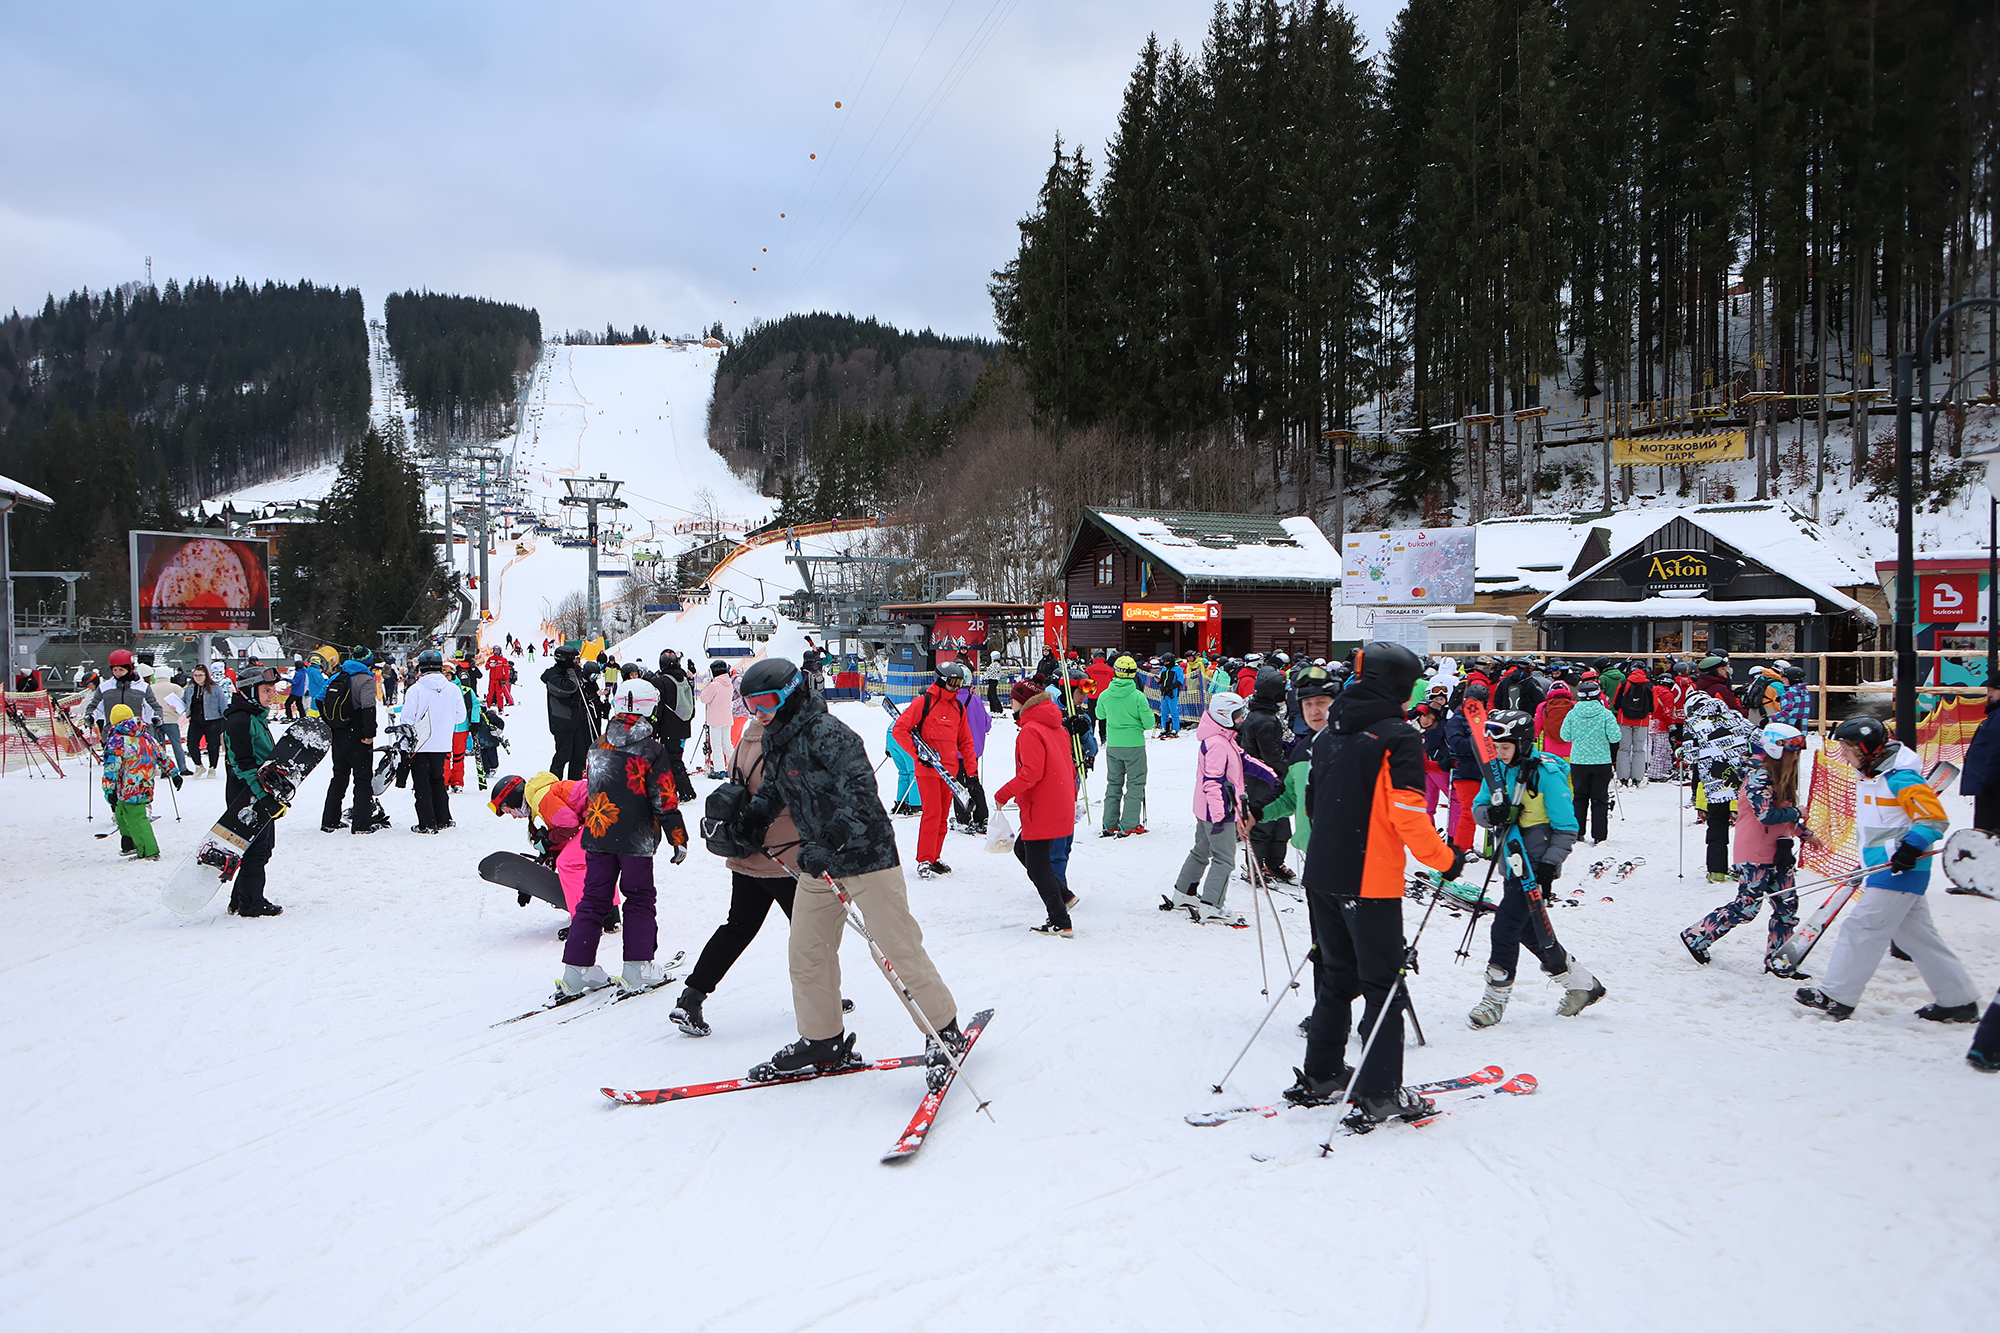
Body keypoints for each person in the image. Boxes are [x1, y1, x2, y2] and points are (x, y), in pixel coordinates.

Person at [730, 658, 967, 1086]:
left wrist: (831, 839)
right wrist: (750, 820)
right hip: (818, 865)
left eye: (764, 702)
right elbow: (775, 789)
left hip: (865, 856)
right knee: (807, 951)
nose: (758, 713)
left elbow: (860, 793)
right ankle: (823, 1039)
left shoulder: (828, 732)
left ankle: (944, 1031)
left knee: (896, 948)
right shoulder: (775, 738)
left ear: (788, 693)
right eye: (750, 705)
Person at [1285, 642, 1465, 1125]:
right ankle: (1381, 1092)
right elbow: (1409, 814)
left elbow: (1314, 806)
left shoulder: (1329, 734)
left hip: (1322, 872)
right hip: (1369, 879)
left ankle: (1322, 1073)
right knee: (1383, 985)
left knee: (1336, 974)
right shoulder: (1395, 736)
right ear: (1400, 686)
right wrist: (1445, 859)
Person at [1796, 715, 1982, 1023]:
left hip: (1899, 868)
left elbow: (1933, 819)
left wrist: (1909, 849)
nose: (1843, 755)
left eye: (1848, 749)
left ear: (1867, 749)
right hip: (1884, 865)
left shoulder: (1900, 778)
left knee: (1862, 927)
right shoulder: (1872, 775)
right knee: (1919, 937)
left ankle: (1837, 995)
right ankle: (1958, 1000)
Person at [1469, 708, 1605, 1027]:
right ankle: (1582, 984)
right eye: (1495, 748)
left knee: (1504, 927)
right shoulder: (1498, 770)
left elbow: (1567, 825)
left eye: (1505, 748)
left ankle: (1494, 1000)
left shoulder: (1546, 773)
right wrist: (1491, 816)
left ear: (1523, 743)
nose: (1499, 754)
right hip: (1511, 861)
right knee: (1531, 931)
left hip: (1535, 865)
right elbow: (1479, 805)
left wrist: (1549, 865)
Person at [550, 686, 687, 1002]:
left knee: (594, 898)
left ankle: (577, 969)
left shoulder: (598, 744)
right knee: (639, 897)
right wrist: (677, 837)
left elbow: (592, 787)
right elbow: (664, 797)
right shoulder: (651, 749)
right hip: (635, 837)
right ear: (649, 708)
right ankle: (638, 966)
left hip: (598, 832)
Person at [672, 715, 801, 1036]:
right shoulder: (785, 744)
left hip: (747, 852)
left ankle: (692, 996)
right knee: (811, 934)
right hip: (785, 856)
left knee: (738, 927)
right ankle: (819, 998)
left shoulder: (746, 740)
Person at [1681, 723, 1815, 973]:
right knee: (1747, 906)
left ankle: (1779, 960)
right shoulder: (1759, 777)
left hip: (1779, 851)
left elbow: (1784, 816)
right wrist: (1797, 812)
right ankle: (1697, 935)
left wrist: (1805, 833)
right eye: (1793, 750)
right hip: (1755, 853)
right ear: (1776, 750)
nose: (1797, 756)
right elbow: (1766, 815)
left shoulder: (1781, 777)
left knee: (1787, 907)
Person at [1165, 691, 1268, 924]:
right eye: (1237, 715)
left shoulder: (1223, 739)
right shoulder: (1218, 744)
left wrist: (1272, 776)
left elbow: (1244, 761)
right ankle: (1212, 904)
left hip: (1207, 810)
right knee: (1224, 858)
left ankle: (1184, 893)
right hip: (1217, 811)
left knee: (1202, 850)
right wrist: (1221, 817)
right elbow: (1212, 782)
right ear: (1224, 716)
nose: (1241, 719)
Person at [994, 679, 1079, 935]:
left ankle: (1060, 920)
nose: (1010, 704)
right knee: (1023, 849)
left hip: (1043, 804)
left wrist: (1003, 794)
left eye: (1012, 699)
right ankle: (1063, 895)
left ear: (1023, 701)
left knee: (1037, 866)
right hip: (1059, 800)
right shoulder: (1055, 726)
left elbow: (1031, 773)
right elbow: (1069, 765)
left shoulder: (1031, 730)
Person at [891, 661, 977, 879]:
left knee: (942, 816)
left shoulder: (958, 708)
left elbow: (966, 742)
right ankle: (924, 859)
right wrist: (918, 753)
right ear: (941, 680)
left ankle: (935, 855)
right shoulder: (924, 702)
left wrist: (972, 772)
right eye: (952, 683)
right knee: (932, 814)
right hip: (927, 770)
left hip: (949, 772)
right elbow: (900, 729)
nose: (956, 688)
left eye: (960, 683)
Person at [222, 665, 288, 917]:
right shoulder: (240, 720)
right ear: (251, 690)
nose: (273, 695)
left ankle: (240, 899)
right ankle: (251, 903)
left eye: (273, 689)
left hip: (258, 790)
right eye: (267, 690)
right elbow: (243, 765)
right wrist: (263, 797)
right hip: (247, 792)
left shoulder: (253, 716)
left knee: (261, 846)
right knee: (257, 848)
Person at [1678, 691, 1757, 881]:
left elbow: (1690, 756)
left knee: (1717, 824)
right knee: (1747, 824)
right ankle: (1748, 867)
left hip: (1715, 782)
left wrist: (1680, 752)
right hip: (1743, 778)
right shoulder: (1735, 716)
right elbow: (1756, 736)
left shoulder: (1693, 723)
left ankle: (1717, 870)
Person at [320, 646, 387, 834]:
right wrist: (369, 733)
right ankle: (361, 823)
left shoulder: (337, 676)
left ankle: (329, 820)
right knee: (362, 778)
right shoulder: (366, 679)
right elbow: (368, 707)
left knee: (339, 777)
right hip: (358, 736)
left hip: (338, 734)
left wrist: (333, 723)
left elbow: (319, 699)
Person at [400, 649, 466, 834]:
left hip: (419, 744)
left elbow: (407, 719)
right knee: (438, 780)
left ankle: (427, 823)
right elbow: (460, 717)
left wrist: (404, 744)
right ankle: (443, 818)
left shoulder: (416, 690)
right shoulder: (453, 688)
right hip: (442, 743)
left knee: (421, 784)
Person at [1238, 668, 1293, 879]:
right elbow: (1272, 757)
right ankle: (1255, 866)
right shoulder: (1265, 720)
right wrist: (1290, 769)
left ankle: (1274, 863)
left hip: (1269, 778)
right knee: (1263, 825)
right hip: (1263, 779)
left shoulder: (1263, 714)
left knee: (1280, 825)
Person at [1095, 654, 1156, 838]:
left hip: (1113, 745)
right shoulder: (1138, 696)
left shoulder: (1106, 693)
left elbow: (1099, 714)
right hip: (1134, 745)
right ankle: (1129, 823)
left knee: (1114, 783)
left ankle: (1109, 822)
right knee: (1135, 784)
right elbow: (1149, 722)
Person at [1561, 677, 1620, 845]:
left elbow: (1565, 735)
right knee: (1600, 798)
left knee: (1579, 797)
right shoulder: (1605, 714)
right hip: (1601, 761)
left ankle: (1578, 833)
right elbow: (1616, 736)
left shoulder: (1572, 713)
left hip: (1579, 761)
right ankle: (1599, 835)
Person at [102, 704, 162, 860]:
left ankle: (149, 851)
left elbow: (111, 767)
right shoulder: (146, 736)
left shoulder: (116, 740)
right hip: (145, 783)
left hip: (129, 786)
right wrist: (174, 773)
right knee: (121, 813)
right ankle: (130, 844)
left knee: (136, 817)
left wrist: (108, 789)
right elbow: (161, 754)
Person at [645, 648, 697, 800]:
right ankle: (674, 788)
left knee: (673, 760)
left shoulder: (662, 681)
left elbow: (659, 707)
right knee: (675, 758)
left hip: (669, 727)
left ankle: (686, 791)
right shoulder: (683, 678)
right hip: (683, 725)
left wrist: (654, 726)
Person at [543, 644, 597, 780]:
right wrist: (571, 671)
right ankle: (553, 783)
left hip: (575, 720)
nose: (576, 663)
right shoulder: (553, 677)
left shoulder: (572, 672)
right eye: (574, 660)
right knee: (563, 755)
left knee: (579, 755)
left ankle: (574, 785)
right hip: (562, 722)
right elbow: (571, 688)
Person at [1444, 682, 1487, 848]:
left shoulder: (1483, 718)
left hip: (1484, 771)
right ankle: (1461, 848)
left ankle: (1467, 845)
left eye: (1481, 703)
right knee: (1469, 813)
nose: (1478, 706)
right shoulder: (1456, 720)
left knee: (1479, 812)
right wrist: (1480, 744)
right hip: (1465, 772)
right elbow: (1457, 744)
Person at [951, 675, 993, 837]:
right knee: (974, 782)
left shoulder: (952, 701)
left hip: (957, 750)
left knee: (959, 785)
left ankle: (963, 818)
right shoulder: (976, 700)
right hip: (974, 750)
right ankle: (981, 817)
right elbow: (987, 724)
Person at [89, 649, 159, 738]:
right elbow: (96, 707)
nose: (117, 673)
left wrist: (155, 717)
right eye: (115, 670)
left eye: (121, 670)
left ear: (129, 669)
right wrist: (90, 717)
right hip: (113, 737)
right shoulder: (104, 688)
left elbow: (152, 706)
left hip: (138, 735)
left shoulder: (143, 687)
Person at [1961, 683, 2000, 832]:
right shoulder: (1995, 714)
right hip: (1991, 786)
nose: (1989, 695)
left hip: (1993, 790)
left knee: (1986, 835)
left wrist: (1988, 782)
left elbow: (1996, 749)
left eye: (1992, 690)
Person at [1612, 665, 1653, 786]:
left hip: (1624, 719)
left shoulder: (1624, 683)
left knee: (1623, 748)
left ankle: (1623, 777)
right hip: (1642, 721)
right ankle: (1637, 777)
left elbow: (1616, 702)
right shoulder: (1649, 685)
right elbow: (1653, 706)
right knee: (1639, 749)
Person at [185, 664, 229, 777]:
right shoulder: (190, 688)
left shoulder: (215, 688)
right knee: (191, 744)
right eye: (195, 675)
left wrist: (227, 718)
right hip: (196, 720)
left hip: (213, 720)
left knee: (213, 745)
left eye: (200, 675)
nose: (197, 677)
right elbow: (185, 701)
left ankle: (212, 767)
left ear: (206, 675)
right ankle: (199, 765)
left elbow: (222, 704)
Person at [152, 668, 193, 779]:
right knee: (177, 745)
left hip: (156, 720)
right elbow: (183, 703)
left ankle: (164, 770)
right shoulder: (175, 687)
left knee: (160, 747)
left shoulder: (150, 688)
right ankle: (183, 768)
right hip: (172, 720)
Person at [884, 696, 922, 817]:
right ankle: (915, 804)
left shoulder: (909, 708)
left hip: (891, 735)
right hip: (903, 738)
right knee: (914, 771)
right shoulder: (923, 709)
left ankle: (902, 801)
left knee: (903, 772)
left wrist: (888, 748)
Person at [698, 660, 736, 776]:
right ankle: (733, 767)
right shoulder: (729, 683)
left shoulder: (715, 685)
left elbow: (704, 699)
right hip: (727, 717)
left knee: (716, 745)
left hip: (715, 719)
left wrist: (705, 686)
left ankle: (720, 770)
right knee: (727, 744)